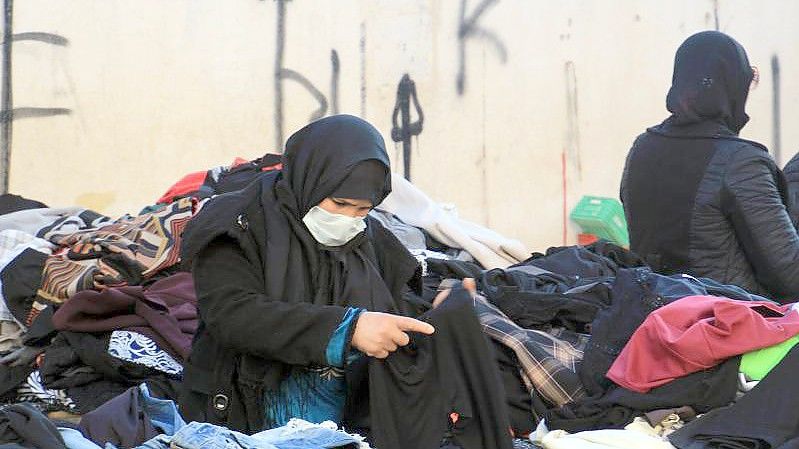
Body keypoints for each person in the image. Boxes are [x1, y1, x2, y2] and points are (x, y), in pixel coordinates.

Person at [178, 115, 435, 433]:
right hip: (244, 418)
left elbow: (400, 299)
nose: (348, 218)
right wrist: (347, 330)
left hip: (341, 426)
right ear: (310, 179)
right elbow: (232, 315)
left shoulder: (372, 239)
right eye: (339, 203)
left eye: (361, 209)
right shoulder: (237, 224)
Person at [620, 31, 799, 303]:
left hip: (654, 317)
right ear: (732, 88)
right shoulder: (741, 162)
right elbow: (790, 273)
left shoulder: (642, 147)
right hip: (729, 326)